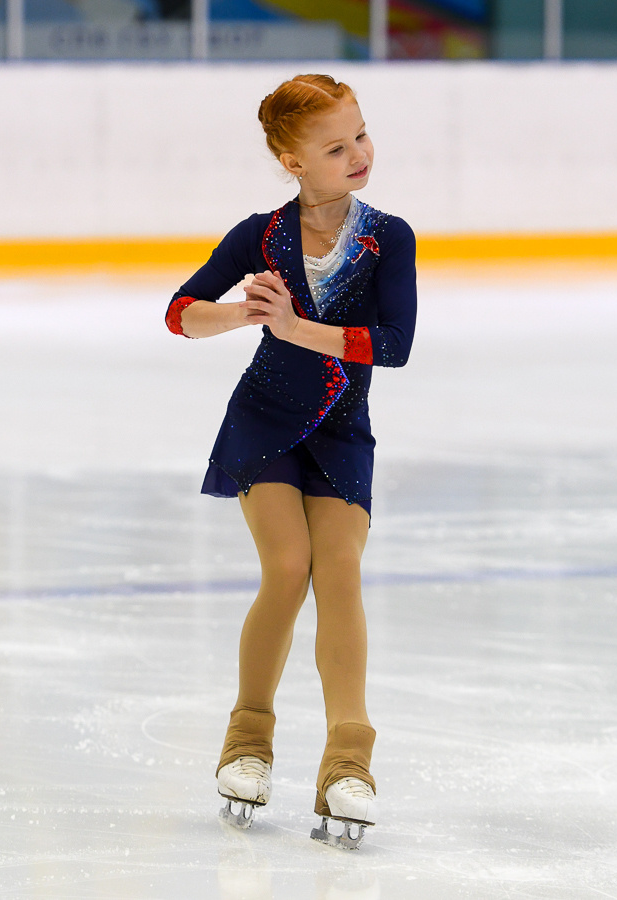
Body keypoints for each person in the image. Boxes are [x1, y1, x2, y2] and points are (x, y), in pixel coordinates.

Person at [165, 73, 416, 849]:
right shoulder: (258, 235)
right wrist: (243, 313)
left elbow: (394, 348)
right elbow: (180, 313)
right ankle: (247, 744)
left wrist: (294, 325)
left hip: (342, 430)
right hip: (265, 421)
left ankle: (348, 763)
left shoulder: (387, 238)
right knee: (286, 567)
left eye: (361, 136)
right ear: (291, 159)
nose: (358, 154)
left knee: (337, 570)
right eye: (336, 146)